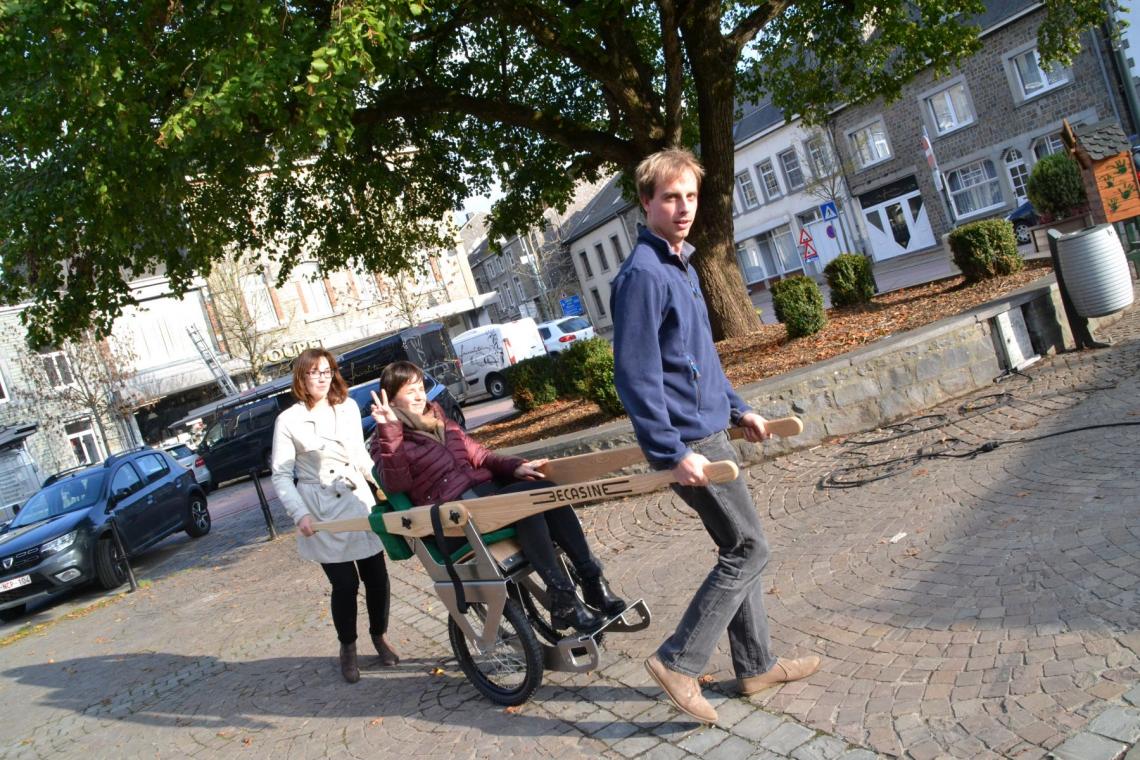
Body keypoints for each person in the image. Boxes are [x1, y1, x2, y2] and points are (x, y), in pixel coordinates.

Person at [610, 148, 821, 725]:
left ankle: (754, 665)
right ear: (647, 202)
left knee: (740, 546)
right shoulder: (643, 276)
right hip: (689, 444)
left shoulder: (681, 263)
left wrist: (739, 409)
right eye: (671, 197)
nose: (683, 208)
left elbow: (696, 358)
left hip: (711, 431)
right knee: (751, 547)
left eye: (691, 197)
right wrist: (671, 452)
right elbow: (636, 376)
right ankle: (679, 661)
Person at [369, 360, 625, 633]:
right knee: (527, 502)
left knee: (546, 490)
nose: (420, 396)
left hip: (484, 498)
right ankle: (566, 598)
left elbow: (480, 455)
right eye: (411, 391)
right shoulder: (384, 440)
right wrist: (389, 430)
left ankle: (589, 580)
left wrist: (515, 465)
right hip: (451, 518)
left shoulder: (439, 418)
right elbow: (395, 484)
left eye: (421, 388)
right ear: (391, 398)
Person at [271, 348, 400, 684]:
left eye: (327, 371)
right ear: (301, 377)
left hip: (356, 499)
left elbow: (359, 454)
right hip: (321, 508)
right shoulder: (288, 421)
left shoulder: (346, 407)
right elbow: (281, 474)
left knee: (377, 576)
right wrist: (299, 512)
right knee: (344, 583)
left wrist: (386, 485)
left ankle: (379, 635)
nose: (322, 378)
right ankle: (348, 647)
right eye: (314, 372)